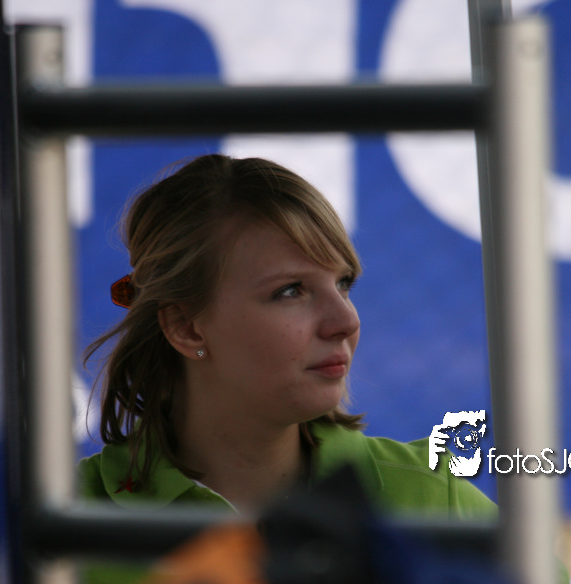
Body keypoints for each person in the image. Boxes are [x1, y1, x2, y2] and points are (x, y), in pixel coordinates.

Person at [78, 154, 496, 520]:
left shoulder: (431, 498)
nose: (345, 321)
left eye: (343, 284)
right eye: (290, 291)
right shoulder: (71, 515)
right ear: (185, 327)